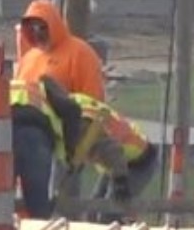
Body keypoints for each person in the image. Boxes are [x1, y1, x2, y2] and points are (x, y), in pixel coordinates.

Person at [0, 73, 82, 219]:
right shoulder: (40, 87)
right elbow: (72, 109)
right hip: (34, 136)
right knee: (38, 202)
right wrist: (70, 151)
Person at [64, 91, 159, 220]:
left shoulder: (87, 129)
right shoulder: (72, 107)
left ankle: (120, 228)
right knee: (92, 214)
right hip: (116, 163)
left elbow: (114, 152)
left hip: (137, 164)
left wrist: (121, 184)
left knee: (108, 215)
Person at [14, 0, 106, 100]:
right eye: (32, 28)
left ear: (53, 24)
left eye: (42, 27)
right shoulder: (29, 58)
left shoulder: (81, 53)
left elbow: (94, 102)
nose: (37, 33)